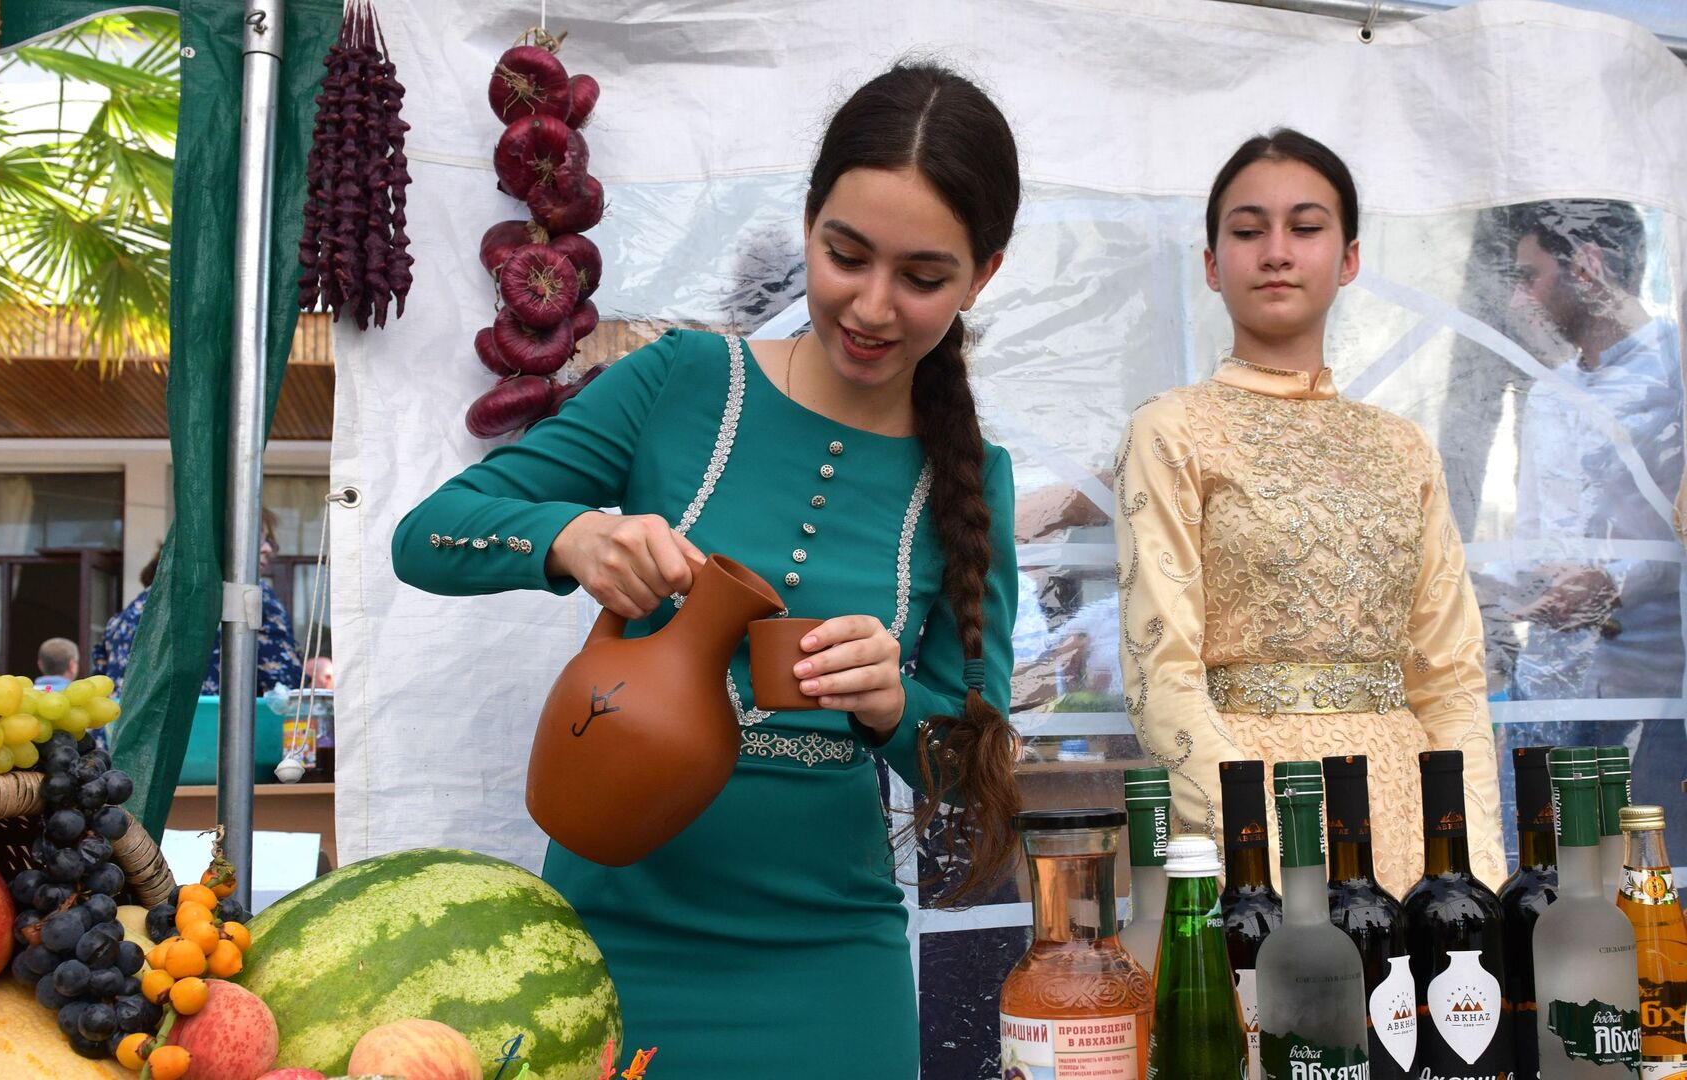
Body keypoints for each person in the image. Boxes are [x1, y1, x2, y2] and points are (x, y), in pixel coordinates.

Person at [392, 62, 1022, 1078]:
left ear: (982, 275)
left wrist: (894, 704)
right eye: (845, 255)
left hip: (833, 972)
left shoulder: (972, 481)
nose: (870, 305)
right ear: (809, 221)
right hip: (612, 945)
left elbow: (978, 787)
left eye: (922, 276)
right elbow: (429, 535)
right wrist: (573, 540)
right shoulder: (684, 381)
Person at [1113, 129, 1506, 891]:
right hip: (1248, 817)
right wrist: (1269, 842)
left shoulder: (1403, 447)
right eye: (1248, 230)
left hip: (1408, 816)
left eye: (1306, 227)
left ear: (1349, 257)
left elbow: (1449, 677)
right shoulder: (1172, 430)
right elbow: (1160, 674)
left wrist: (1475, 855)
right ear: (1211, 263)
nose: (1277, 252)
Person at [1503, 198, 1686, 848]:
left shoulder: (1676, 371)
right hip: (1545, 694)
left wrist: (1614, 582)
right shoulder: (1548, 393)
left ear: (1586, 264)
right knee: (1536, 891)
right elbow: (1533, 538)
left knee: (1649, 900)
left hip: (1652, 697)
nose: (1519, 294)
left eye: (1530, 275)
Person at [93, 510, 304, 696]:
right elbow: (282, 687)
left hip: (125, 738)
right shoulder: (244, 592)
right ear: (223, 540)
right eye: (257, 537)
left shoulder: (127, 614)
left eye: (269, 540)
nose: (267, 549)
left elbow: (100, 685)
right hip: (209, 734)